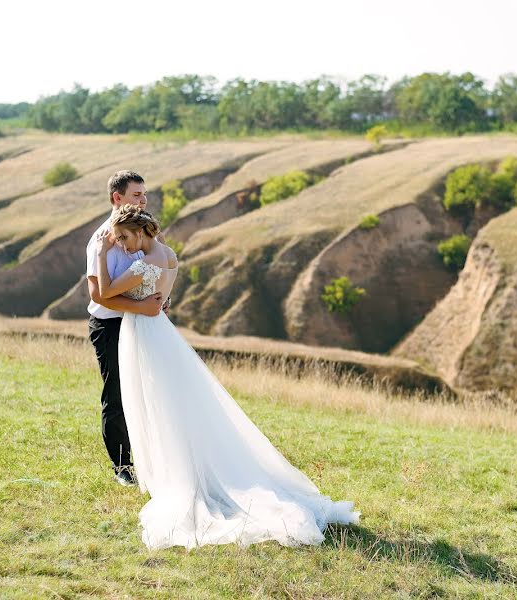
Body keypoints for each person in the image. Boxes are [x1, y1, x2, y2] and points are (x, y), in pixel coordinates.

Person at [93, 203, 361, 550]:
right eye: (117, 240)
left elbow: (105, 291)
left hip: (145, 334)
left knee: (160, 404)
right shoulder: (168, 254)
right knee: (171, 403)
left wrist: (101, 252)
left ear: (141, 231)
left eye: (125, 238)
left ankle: (181, 478)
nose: (123, 246)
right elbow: (161, 296)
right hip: (159, 332)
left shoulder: (145, 263)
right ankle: (175, 470)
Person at [85, 170, 170, 486]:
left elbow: (159, 266)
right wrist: (142, 307)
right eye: (137, 195)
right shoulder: (99, 242)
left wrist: (162, 298)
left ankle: (154, 459)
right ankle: (122, 466)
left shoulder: (141, 231)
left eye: (145, 194)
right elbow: (99, 295)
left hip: (143, 324)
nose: (144, 200)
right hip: (109, 325)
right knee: (117, 394)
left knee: (149, 390)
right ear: (116, 198)